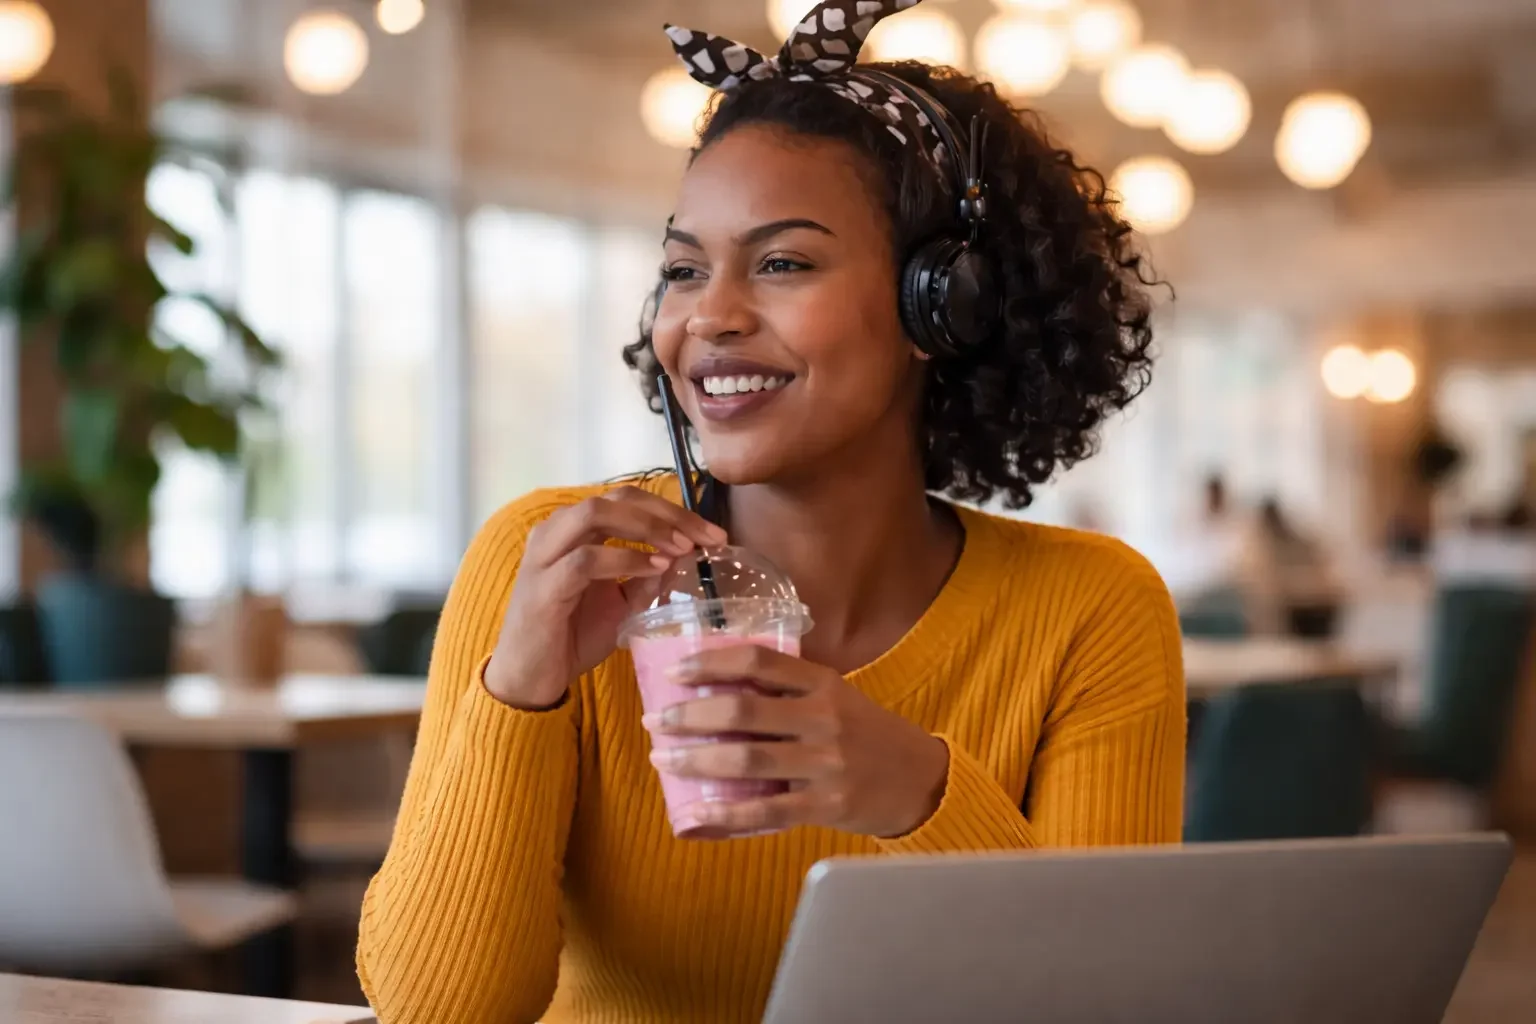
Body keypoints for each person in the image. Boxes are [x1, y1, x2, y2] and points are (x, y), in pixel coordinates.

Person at [356, 2, 1183, 1020]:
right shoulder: (558, 564)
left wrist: (918, 794)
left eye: (783, 262)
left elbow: (1105, 1003)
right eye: (682, 269)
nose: (710, 315)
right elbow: (437, 1011)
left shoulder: (1092, 610)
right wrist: (522, 692)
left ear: (943, 304)